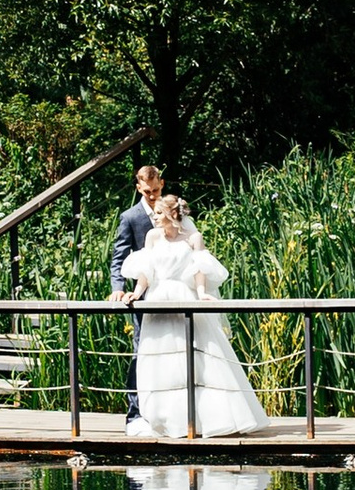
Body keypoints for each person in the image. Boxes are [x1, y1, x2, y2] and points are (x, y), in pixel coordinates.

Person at [120, 193, 272, 438]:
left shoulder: (193, 238)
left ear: (171, 214)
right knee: (161, 360)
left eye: (159, 213)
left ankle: (202, 420)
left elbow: (199, 269)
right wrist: (136, 294)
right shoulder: (152, 237)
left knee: (194, 356)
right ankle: (164, 421)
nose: (155, 218)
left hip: (183, 295)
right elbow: (146, 272)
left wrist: (201, 293)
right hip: (157, 299)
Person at [108, 160, 164, 419]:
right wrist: (118, 287)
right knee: (140, 349)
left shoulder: (172, 209)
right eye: (147, 192)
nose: (152, 197)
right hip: (142, 294)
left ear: (161, 184)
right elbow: (119, 256)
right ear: (139, 188)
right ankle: (136, 411)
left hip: (172, 293)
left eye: (156, 190)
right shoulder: (130, 217)